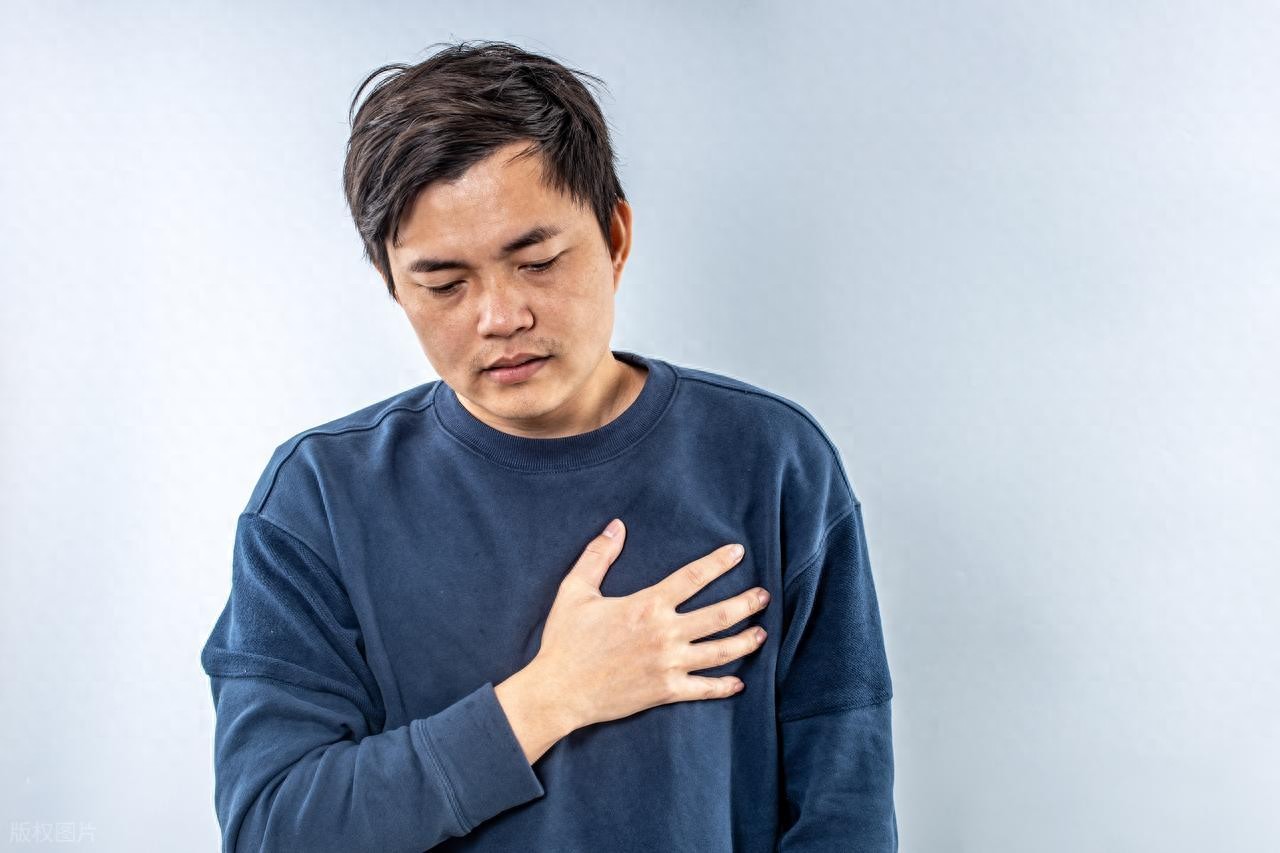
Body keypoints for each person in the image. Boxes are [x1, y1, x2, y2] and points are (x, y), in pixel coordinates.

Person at [200, 39, 896, 852]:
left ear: (616, 235)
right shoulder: (316, 498)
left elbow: (842, 814)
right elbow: (272, 827)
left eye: (536, 262)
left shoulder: (771, 461)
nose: (500, 317)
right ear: (393, 283)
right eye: (444, 284)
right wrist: (548, 697)